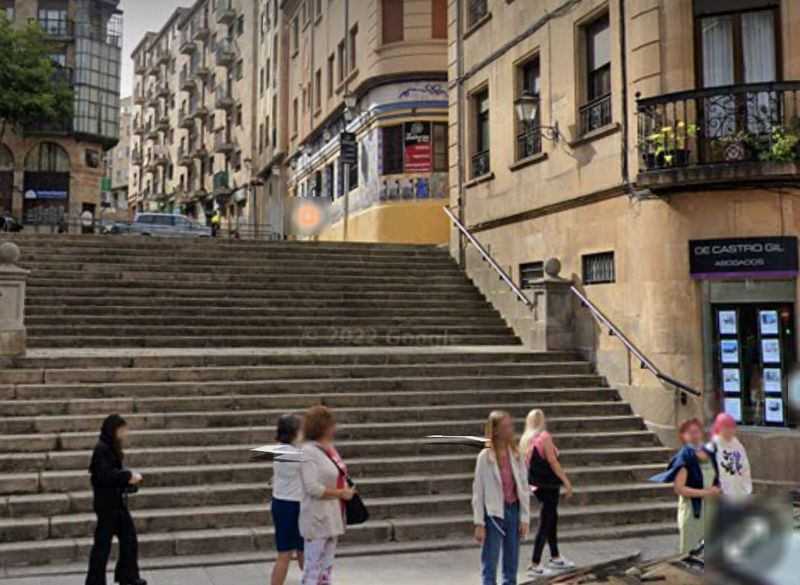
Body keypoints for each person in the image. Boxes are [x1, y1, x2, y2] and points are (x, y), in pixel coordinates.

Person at [85, 415, 145, 585]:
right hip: (106, 505)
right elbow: (105, 475)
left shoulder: (110, 448)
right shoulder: (101, 449)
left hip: (116, 502)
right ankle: (95, 581)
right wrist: (127, 476)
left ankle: (128, 576)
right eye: (121, 430)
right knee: (102, 546)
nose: (123, 434)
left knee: (129, 538)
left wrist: (126, 481)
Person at [472, 410, 530, 585]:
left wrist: (525, 518)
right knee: (490, 563)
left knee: (511, 565)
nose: (510, 430)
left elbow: (524, 487)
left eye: (510, 426)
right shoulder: (485, 458)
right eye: (505, 427)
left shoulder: (516, 454)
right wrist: (479, 523)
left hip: (513, 510)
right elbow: (478, 492)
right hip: (493, 514)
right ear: (496, 431)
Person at [298, 406, 355, 585]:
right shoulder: (308, 452)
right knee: (313, 569)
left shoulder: (329, 449)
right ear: (323, 427)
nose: (335, 428)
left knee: (326, 570)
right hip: (317, 517)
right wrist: (341, 493)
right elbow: (312, 487)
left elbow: (337, 474)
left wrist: (347, 488)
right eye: (332, 424)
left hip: (333, 514)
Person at [651, 418, 720, 554]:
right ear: (683, 436)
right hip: (693, 511)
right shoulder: (684, 458)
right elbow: (679, 488)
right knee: (690, 552)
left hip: (712, 508)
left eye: (697, 432)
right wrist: (706, 492)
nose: (695, 435)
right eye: (690, 432)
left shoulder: (710, 454)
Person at [521, 409, 574, 578]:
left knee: (551, 517)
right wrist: (566, 481)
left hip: (537, 485)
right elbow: (553, 462)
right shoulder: (544, 437)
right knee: (546, 521)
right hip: (549, 484)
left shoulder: (527, 439)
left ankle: (555, 556)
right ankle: (535, 563)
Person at [271, 414, 305, 585]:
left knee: (296, 551)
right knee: (290, 553)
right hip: (293, 506)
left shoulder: (279, 449)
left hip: (281, 503)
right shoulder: (294, 455)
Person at [705, 413, 752, 498]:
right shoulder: (712, 447)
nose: (730, 430)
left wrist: (746, 489)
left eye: (732, 427)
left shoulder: (737, 445)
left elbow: (745, 468)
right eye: (726, 427)